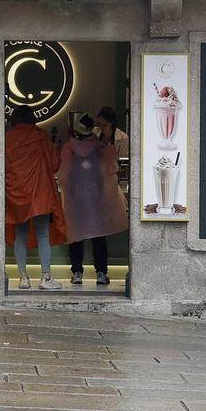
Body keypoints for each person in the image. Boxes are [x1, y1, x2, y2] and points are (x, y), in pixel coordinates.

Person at [59, 117, 128, 285]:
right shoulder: (100, 148)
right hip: (97, 199)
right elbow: (111, 169)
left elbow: (63, 174)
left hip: (75, 200)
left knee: (76, 236)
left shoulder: (68, 148)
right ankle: (101, 273)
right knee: (99, 236)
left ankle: (77, 272)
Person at [5, 105, 67, 289]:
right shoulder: (41, 136)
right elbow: (55, 164)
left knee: (20, 236)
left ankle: (23, 278)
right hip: (40, 193)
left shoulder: (8, 138)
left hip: (16, 193)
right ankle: (45, 278)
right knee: (42, 234)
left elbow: (4, 166)